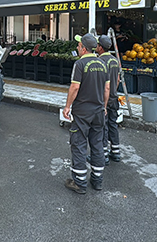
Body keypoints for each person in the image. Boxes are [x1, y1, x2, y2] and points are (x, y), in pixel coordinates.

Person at [63, 33, 110, 194]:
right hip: (98, 111)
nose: (77, 48)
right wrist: (103, 106)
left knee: (79, 143)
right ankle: (97, 180)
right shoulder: (103, 64)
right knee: (97, 144)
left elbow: (75, 87)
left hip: (83, 112)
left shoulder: (80, 64)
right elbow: (107, 89)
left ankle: (80, 182)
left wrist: (67, 106)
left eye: (78, 45)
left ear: (84, 48)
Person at [97, 35, 121, 164]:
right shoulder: (114, 60)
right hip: (114, 97)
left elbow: (102, 84)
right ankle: (116, 152)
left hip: (104, 99)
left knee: (103, 126)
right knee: (113, 124)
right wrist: (113, 92)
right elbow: (117, 80)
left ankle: (104, 154)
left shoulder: (99, 61)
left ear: (100, 47)